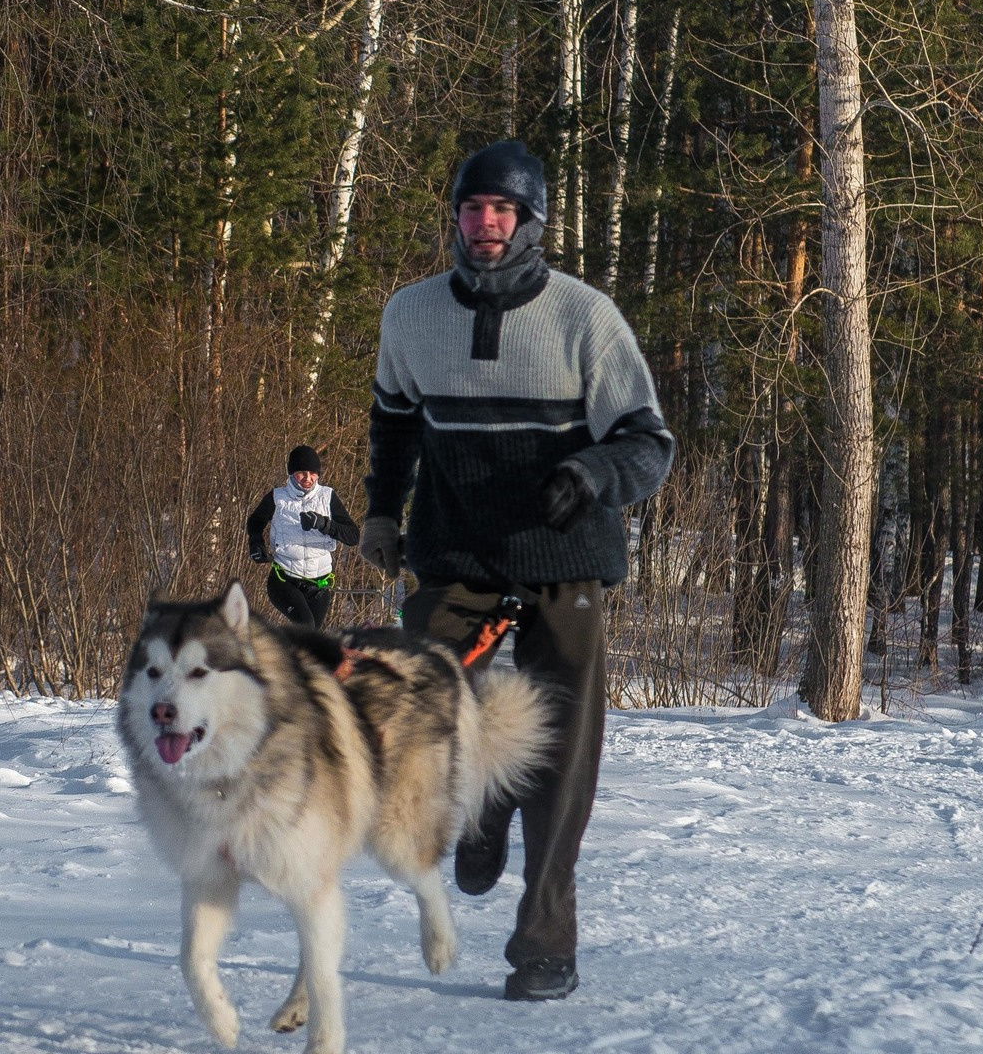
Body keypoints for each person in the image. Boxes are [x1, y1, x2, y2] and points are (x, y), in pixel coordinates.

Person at [356, 139, 674, 1003]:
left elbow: (650, 441)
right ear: (454, 220)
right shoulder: (411, 315)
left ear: (531, 222)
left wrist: (595, 474)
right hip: (454, 551)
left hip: (565, 557)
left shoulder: (585, 316)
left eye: (503, 210)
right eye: (472, 209)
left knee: (562, 754)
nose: (485, 224)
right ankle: (479, 806)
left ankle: (544, 942)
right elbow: (393, 427)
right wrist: (384, 512)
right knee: (419, 709)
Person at [246, 445, 359, 630]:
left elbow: (353, 535)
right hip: (285, 581)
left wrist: (324, 524)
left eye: (313, 473)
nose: (308, 478)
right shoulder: (277, 498)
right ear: (291, 474)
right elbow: (255, 521)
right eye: (302, 473)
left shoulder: (327, 496)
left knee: (312, 638)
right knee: (306, 626)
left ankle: (286, 656)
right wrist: (256, 543)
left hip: (319, 585)